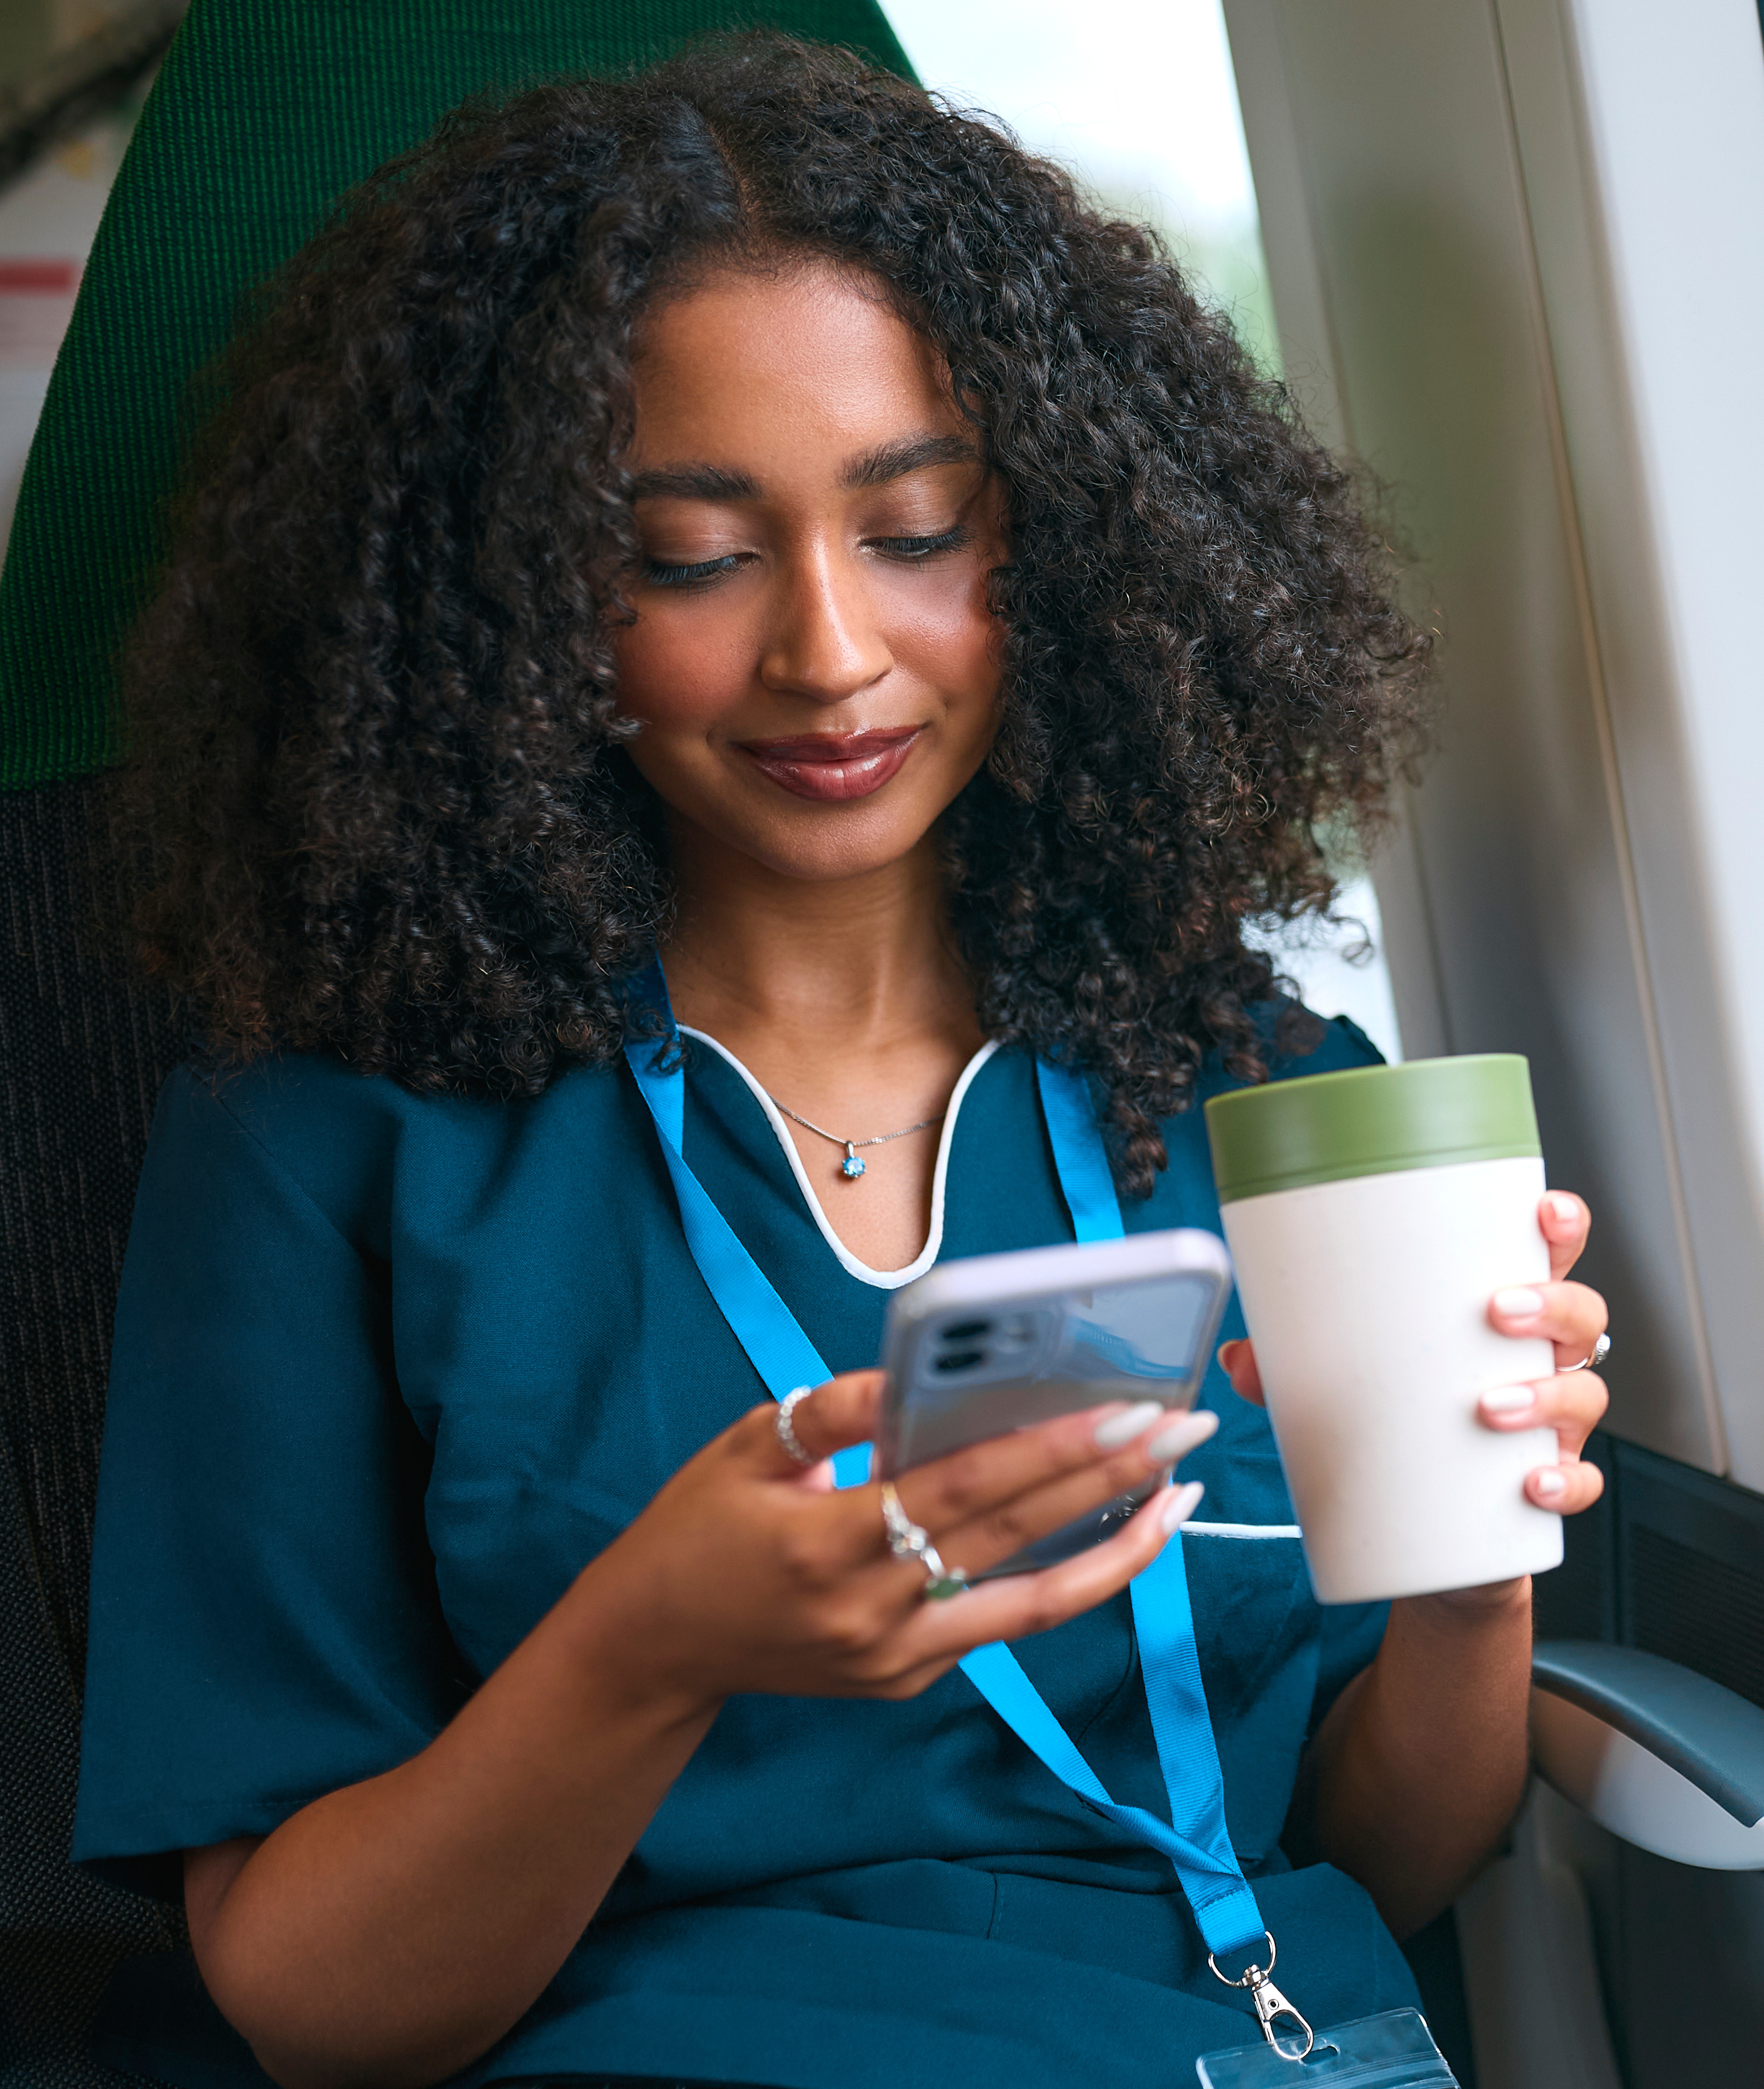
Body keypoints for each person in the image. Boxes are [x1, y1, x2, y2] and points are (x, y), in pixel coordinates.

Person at [73, 35, 1610, 2089]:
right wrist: (649, 1653)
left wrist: (1473, 1578)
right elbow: (315, 2007)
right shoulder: (327, 1143)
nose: (828, 653)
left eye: (915, 530)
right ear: (519, 607)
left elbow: (1371, 1864)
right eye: (688, 558)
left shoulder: (1266, 1092)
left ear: (1056, 551)